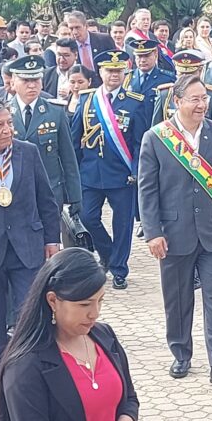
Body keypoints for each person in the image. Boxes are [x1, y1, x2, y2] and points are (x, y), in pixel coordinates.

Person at [138, 75, 212, 383]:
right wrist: (153, 232)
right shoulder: (156, 137)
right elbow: (147, 190)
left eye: (204, 99)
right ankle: (181, 353)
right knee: (178, 300)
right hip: (173, 234)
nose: (201, 105)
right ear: (177, 101)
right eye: (195, 99)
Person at [0, 248, 139, 421]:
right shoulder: (25, 367)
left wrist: (127, 417)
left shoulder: (105, 336)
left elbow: (129, 398)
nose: (95, 313)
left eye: (100, 301)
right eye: (85, 305)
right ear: (53, 300)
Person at [0, 96, 60, 376]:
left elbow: (46, 199)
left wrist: (52, 240)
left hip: (27, 246)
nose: (7, 130)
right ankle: (0, 376)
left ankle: (34, 371)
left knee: (32, 313)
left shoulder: (28, 152)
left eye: (9, 123)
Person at [71, 50, 146, 290]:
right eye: (110, 70)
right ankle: (108, 253)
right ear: (100, 72)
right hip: (91, 172)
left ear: (125, 73)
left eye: (118, 71)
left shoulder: (135, 102)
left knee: (122, 225)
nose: (114, 75)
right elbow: (75, 139)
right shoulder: (87, 100)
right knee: (87, 217)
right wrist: (74, 172)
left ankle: (119, 269)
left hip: (122, 174)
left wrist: (136, 170)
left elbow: (140, 142)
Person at [7, 54, 82, 214]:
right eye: (25, 80)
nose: (32, 85)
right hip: (13, 194)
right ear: (13, 82)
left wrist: (75, 195)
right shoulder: (3, 114)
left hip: (49, 193)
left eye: (36, 80)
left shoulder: (55, 112)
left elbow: (68, 157)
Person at [153, 48, 212, 126]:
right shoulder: (165, 95)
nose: (186, 81)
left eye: (191, 75)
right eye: (182, 75)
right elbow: (156, 129)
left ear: (201, 71)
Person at [126, 39, 175, 127]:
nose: (143, 60)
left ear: (155, 55)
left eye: (146, 56)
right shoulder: (127, 78)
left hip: (155, 128)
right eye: (139, 56)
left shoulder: (167, 79)